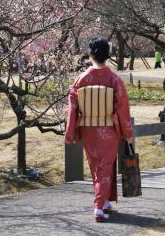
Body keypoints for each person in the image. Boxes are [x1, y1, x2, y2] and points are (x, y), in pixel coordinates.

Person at [65, 38, 133, 223]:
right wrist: (127, 134)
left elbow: (72, 106)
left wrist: (71, 131)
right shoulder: (114, 79)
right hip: (108, 130)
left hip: (88, 129)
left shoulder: (81, 79)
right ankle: (98, 207)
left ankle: (104, 202)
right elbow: (123, 108)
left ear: (91, 54)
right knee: (105, 166)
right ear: (108, 56)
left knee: (97, 166)